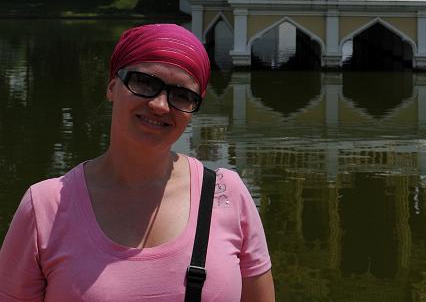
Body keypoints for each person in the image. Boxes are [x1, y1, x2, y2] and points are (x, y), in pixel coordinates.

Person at [0, 23, 275, 302]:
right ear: (111, 86)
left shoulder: (227, 196)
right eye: (144, 82)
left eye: (181, 95)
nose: (159, 105)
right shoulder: (46, 207)